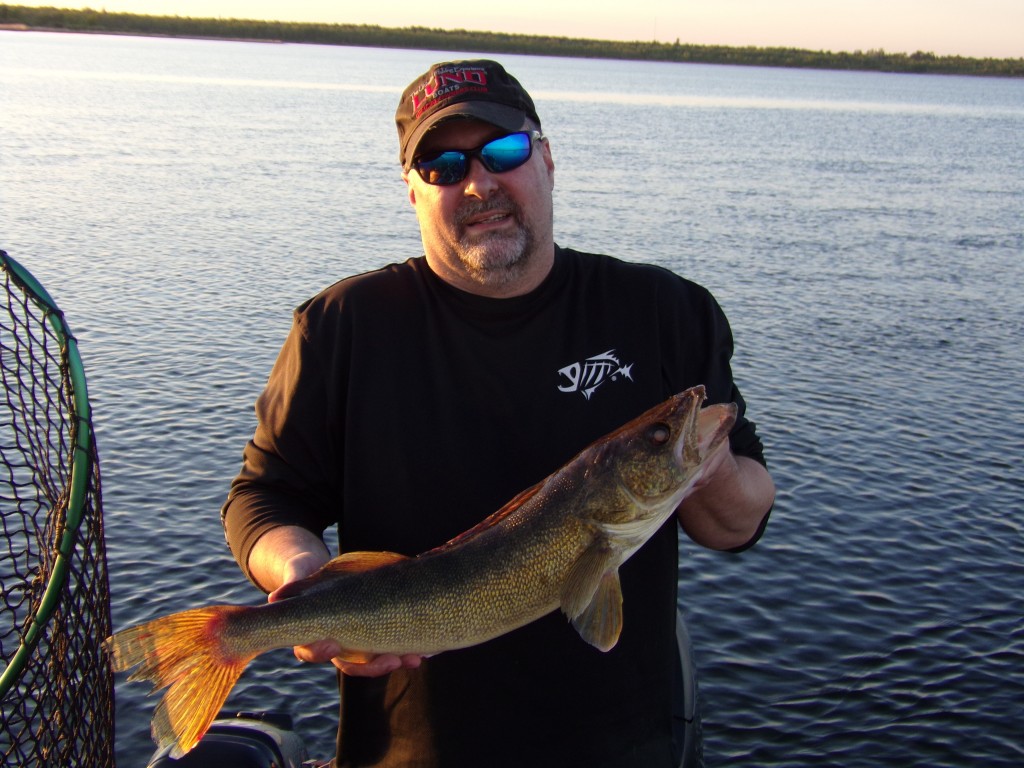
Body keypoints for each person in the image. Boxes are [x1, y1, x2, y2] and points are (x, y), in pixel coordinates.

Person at [222, 58, 775, 768]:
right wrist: (303, 579)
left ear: (545, 159)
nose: (480, 183)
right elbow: (262, 500)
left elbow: (738, 524)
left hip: (623, 748)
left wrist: (701, 459)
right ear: (412, 191)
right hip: (409, 749)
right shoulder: (343, 326)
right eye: (444, 165)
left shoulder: (663, 311)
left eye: (504, 152)